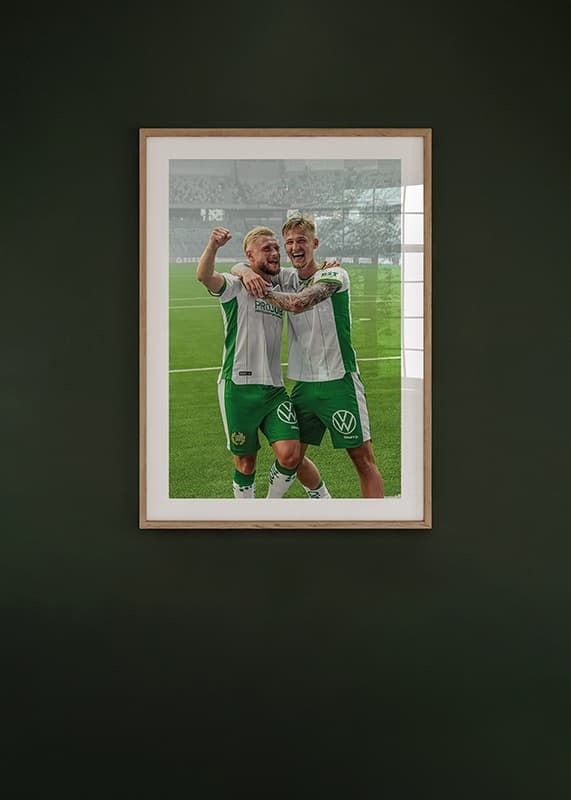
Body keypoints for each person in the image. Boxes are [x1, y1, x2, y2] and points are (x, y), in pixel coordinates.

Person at [232, 214, 384, 498]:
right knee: (292, 457)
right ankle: (321, 500)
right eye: (288, 242)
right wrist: (245, 272)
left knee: (363, 460)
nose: (294, 247)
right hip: (303, 385)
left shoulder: (334, 275)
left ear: (314, 243)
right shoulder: (285, 278)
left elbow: (299, 303)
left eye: (301, 240)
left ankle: (376, 520)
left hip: (338, 380)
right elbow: (244, 264)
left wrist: (261, 290)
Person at [196, 226, 330, 499]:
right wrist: (214, 247)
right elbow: (204, 276)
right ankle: (248, 516)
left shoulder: (282, 284)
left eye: (276, 248)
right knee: (246, 462)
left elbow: (308, 272)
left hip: (273, 390)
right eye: (267, 249)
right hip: (238, 388)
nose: (275, 253)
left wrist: (328, 266)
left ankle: (270, 506)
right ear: (250, 255)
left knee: (291, 454)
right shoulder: (234, 286)